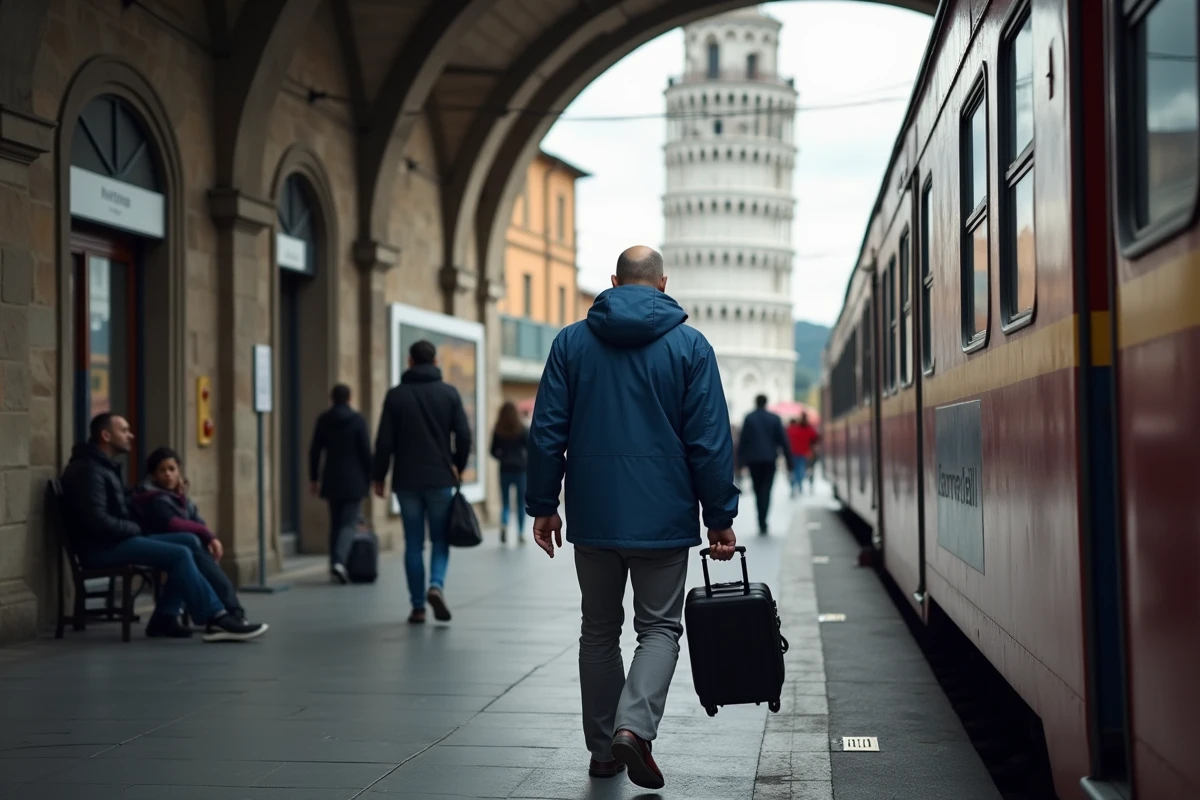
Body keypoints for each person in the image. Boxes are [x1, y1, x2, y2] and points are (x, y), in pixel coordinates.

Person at [526, 246, 739, 790]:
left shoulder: (571, 342)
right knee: (659, 628)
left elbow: (547, 430)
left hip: (594, 512)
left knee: (597, 631)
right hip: (664, 514)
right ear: (663, 284)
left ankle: (603, 753)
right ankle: (634, 729)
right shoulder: (690, 346)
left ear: (615, 282)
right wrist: (719, 515)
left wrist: (543, 505)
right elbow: (710, 440)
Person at [59, 413, 267, 642]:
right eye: (124, 430)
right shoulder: (89, 470)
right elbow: (97, 521)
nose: (131, 435)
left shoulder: (103, 467)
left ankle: (166, 617)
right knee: (179, 553)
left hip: (113, 541)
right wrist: (135, 528)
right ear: (106, 435)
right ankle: (217, 617)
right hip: (100, 548)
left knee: (189, 540)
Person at [372, 339, 472, 624]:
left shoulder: (396, 396)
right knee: (440, 539)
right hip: (441, 478)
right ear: (436, 363)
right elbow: (464, 436)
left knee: (413, 543)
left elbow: (384, 441)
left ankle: (417, 607)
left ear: (410, 362)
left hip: (406, 481)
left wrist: (378, 476)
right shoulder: (449, 394)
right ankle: (436, 585)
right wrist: (458, 465)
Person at [131, 447, 265, 627]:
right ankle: (229, 612)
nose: (168, 475)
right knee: (191, 547)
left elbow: (197, 521)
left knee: (192, 551)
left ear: (179, 471)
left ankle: (167, 616)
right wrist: (208, 536)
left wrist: (208, 538)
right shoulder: (152, 498)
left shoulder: (180, 497)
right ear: (153, 475)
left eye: (172, 469)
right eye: (162, 470)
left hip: (179, 548)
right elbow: (174, 525)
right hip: (151, 545)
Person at [309, 384, 373, 584]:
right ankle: (339, 562)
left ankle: (334, 565)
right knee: (348, 524)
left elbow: (315, 451)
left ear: (331, 398)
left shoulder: (324, 420)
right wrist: (372, 476)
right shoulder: (358, 420)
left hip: (332, 479)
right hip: (354, 481)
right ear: (349, 398)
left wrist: (314, 479)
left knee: (336, 524)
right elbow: (365, 452)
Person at [738, 395, 793, 535]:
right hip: (769, 459)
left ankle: (760, 519)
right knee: (767, 490)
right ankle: (764, 520)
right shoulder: (774, 418)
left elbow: (743, 441)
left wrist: (740, 462)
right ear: (766, 403)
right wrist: (789, 461)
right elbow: (783, 441)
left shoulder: (749, 418)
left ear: (755, 402)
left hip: (754, 460)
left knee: (757, 490)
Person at [490, 400, 529, 544]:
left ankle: (504, 524)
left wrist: (502, 456)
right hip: (520, 470)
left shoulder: (498, 430)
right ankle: (520, 533)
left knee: (505, 502)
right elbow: (530, 448)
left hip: (504, 469)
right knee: (520, 503)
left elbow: (492, 451)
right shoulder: (522, 429)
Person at [786, 413, 820, 496]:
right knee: (802, 470)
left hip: (794, 453)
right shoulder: (809, 429)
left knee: (796, 470)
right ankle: (800, 485)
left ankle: (795, 486)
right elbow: (816, 438)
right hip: (805, 453)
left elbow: (786, 439)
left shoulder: (793, 429)